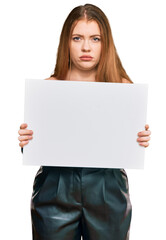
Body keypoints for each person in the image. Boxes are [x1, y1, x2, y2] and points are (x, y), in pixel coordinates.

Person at [18, 4, 151, 240]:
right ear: (66, 42)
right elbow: (35, 145)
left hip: (107, 189)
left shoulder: (122, 88)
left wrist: (140, 138)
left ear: (105, 43)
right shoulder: (48, 88)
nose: (86, 47)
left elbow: (129, 143)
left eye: (95, 39)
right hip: (55, 187)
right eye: (77, 38)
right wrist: (26, 140)